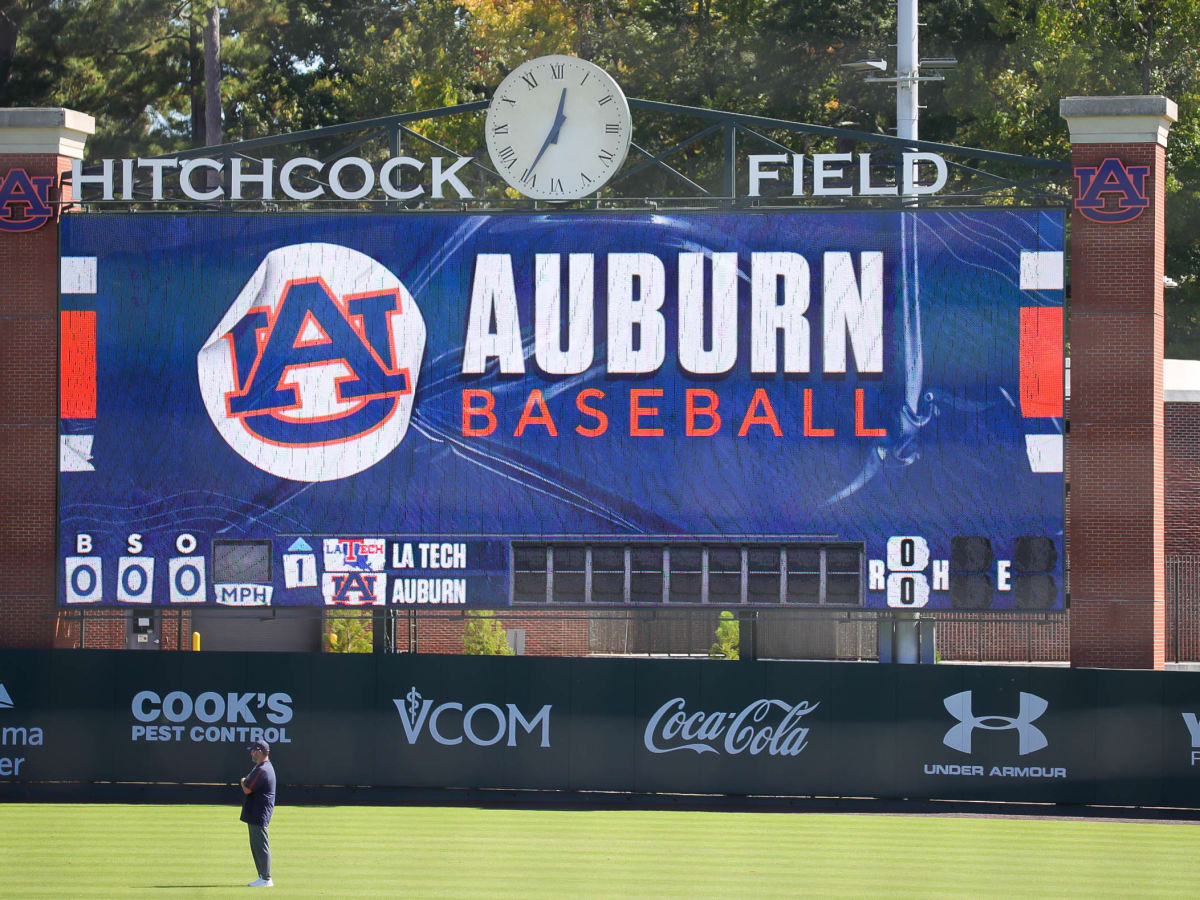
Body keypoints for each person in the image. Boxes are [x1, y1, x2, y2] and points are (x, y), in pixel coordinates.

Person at [239, 738, 276, 888]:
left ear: (259, 752)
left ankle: (266, 878)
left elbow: (247, 788)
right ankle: (262, 876)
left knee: (261, 845)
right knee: (256, 845)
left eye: (253, 751)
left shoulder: (262, 769)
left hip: (259, 812)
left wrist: (242, 780)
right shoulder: (261, 767)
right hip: (256, 811)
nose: (251, 753)